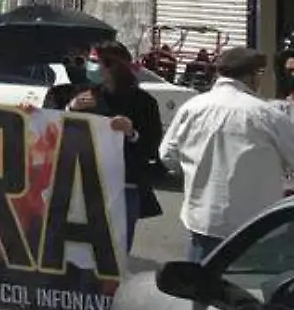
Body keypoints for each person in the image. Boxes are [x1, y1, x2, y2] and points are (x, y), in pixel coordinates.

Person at [159, 47, 294, 261]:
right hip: (254, 229)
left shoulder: (192, 107)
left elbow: (167, 155)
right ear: (253, 75)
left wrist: (197, 171)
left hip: (203, 221)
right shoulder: (267, 115)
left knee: (200, 290)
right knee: (250, 292)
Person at [65, 41, 163, 251]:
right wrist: (70, 108)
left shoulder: (143, 102)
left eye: (94, 62)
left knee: (115, 254)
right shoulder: (85, 95)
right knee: (80, 254)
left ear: (113, 66)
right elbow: (56, 129)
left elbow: (152, 147)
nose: (90, 67)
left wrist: (132, 133)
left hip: (125, 187)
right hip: (84, 184)